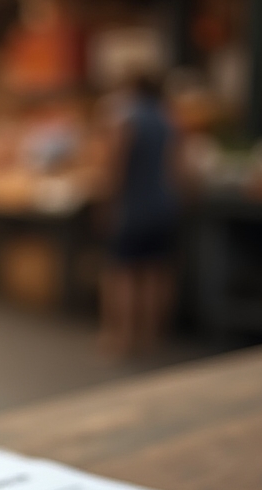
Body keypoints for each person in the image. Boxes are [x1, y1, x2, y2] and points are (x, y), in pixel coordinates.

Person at [98, 74, 181, 358]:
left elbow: (116, 164)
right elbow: (177, 168)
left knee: (123, 273)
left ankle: (122, 337)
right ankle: (152, 336)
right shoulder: (168, 120)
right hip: (163, 205)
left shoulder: (127, 118)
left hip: (133, 206)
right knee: (157, 271)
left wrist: (108, 200)